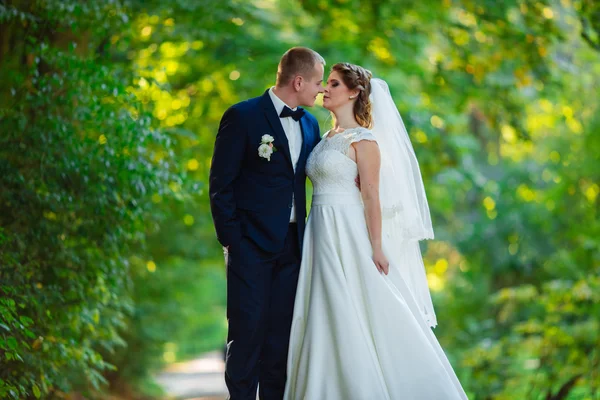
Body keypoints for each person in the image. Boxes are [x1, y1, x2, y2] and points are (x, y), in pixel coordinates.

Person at [284, 63, 468, 400]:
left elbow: (371, 195)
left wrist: (377, 246)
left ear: (354, 93)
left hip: (348, 232)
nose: (326, 88)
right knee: (324, 309)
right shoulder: (325, 137)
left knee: (359, 303)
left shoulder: (365, 141)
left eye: (335, 83)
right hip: (320, 230)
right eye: (327, 82)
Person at [209, 47, 325, 400]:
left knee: (281, 344)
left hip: (294, 247)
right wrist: (233, 241)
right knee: (246, 339)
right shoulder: (242, 116)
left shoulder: (309, 123)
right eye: (318, 82)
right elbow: (221, 185)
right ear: (299, 80)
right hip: (250, 248)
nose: (321, 90)